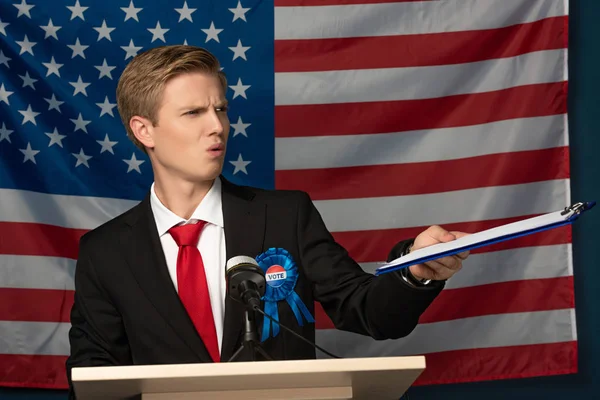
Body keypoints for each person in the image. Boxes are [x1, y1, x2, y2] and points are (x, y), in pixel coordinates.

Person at [65, 45, 469, 397]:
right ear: (144, 130)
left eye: (220, 108)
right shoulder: (105, 252)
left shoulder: (285, 215)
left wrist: (415, 271)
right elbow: (95, 379)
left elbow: (370, 313)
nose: (217, 126)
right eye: (193, 112)